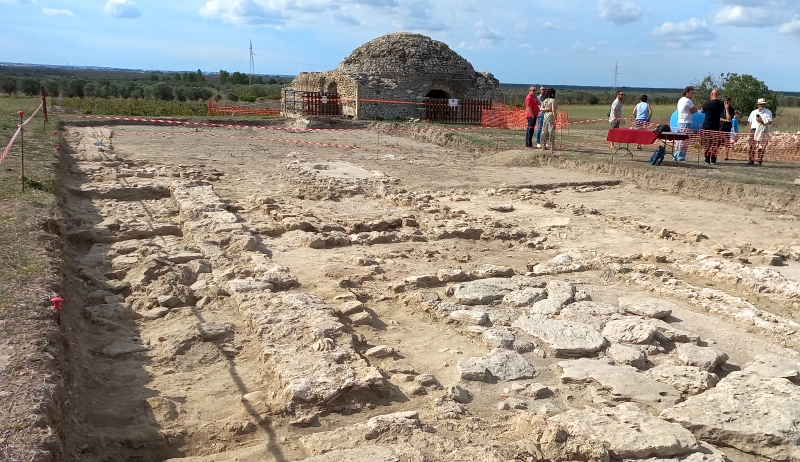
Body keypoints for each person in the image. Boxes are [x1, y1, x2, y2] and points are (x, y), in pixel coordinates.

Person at [700, 88, 725, 164]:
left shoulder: (707, 103)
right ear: (718, 95)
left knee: (707, 143)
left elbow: (702, 110)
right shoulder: (721, 104)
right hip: (716, 125)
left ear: (711, 94)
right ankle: (713, 160)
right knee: (715, 143)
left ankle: (707, 160)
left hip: (707, 125)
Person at [747, 98, 773, 166]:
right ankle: (751, 160)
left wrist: (761, 120)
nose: (762, 105)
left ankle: (759, 160)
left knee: (761, 146)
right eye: (761, 104)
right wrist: (750, 131)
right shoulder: (753, 112)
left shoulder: (768, 112)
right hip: (754, 130)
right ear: (758, 105)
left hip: (762, 130)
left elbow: (770, 122)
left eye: (763, 104)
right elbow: (750, 122)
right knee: (751, 146)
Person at [675, 86, 698, 162]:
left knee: (679, 140)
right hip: (686, 122)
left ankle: (676, 155)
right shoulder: (688, 101)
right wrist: (691, 111)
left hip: (680, 122)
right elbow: (695, 110)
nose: (692, 94)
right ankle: (680, 157)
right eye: (691, 93)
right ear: (686, 92)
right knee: (684, 141)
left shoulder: (680, 100)